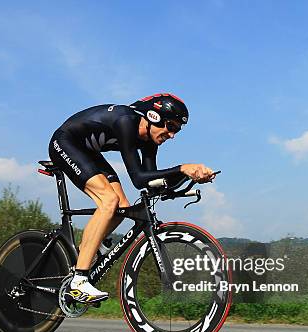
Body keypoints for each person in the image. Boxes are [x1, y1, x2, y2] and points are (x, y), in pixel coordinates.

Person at [48, 93, 214, 304]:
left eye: (177, 130)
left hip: (88, 152)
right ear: (154, 116)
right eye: (171, 127)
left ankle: (84, 254)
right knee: (109, 201)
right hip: (65, 143)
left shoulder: (150, 141)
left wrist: (188, 177)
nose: (172, 135)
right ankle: (79, 281)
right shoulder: (126, 121)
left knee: (122, 207)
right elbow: (138, 178)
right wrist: (182, 168)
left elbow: (151, 183)